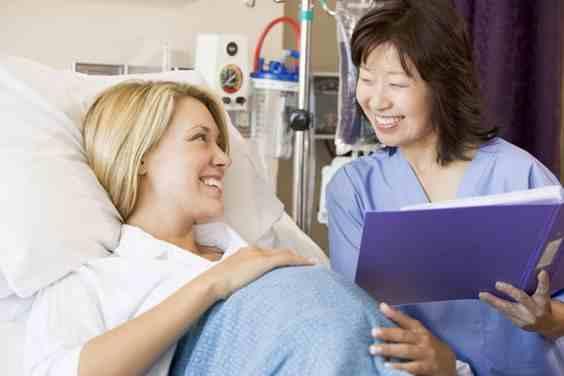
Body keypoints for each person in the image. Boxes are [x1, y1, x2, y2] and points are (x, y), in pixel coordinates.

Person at [24, 81, 409, 376]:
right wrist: (212, 283)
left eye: (221, 143)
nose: (223, 159)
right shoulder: (98, 281)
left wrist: (438, 360)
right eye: (200, 139)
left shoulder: (262, 253)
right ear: (141, 156)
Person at [326, 0, 564, 375]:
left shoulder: (522, 178)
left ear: (443, 86)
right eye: (367, 79)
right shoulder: (354, 191)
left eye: (397, 83)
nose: (376, 100)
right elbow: (357, 318)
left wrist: (546, 320)